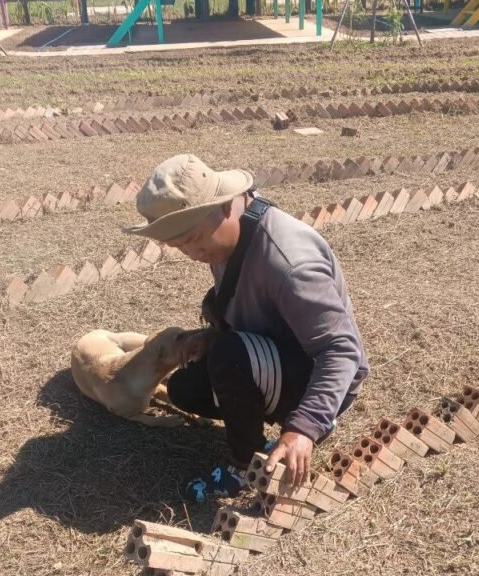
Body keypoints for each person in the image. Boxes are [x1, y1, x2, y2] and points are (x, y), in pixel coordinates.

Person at [127, 153, 368, 504]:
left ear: (225, 206)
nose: (192, 252)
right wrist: (212, 336)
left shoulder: (290, 264)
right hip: (276, 356)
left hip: (321, 376)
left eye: (194, 238)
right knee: (184, 387)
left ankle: (247, 463)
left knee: (230, 357)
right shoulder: (229, 236)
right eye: (180, 246)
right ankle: (258, 421)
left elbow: (341, 351)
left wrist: (305, 427)